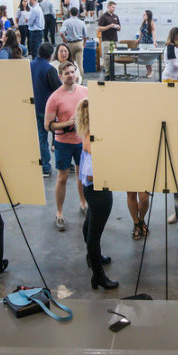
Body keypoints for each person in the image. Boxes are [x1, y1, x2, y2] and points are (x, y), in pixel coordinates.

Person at [73, 98, 118, 289]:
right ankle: (98, 275)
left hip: (90, 191)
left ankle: (94, 257)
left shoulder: (86, 133)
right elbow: (91, 174)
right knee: (94, 235)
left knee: (89, 224)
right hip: (98, 190)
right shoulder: (93, 138)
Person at [45, 61, 88, 230]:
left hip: (81, 141)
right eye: (67, 73)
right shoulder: (54, 98)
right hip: (63, 143)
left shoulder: (85, 91)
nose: (70, 75)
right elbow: (47, 125)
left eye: (72, 72)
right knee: (62, 177)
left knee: (81, 174)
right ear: (60, 76)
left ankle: (83, 204)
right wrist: (66, 123)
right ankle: (59, 213)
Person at [31, 43, 62, 178]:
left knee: (41, 137)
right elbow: (58, 89)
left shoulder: (29, 66)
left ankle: (45, 166)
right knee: (59, 134)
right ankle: (64, 164)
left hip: (33, 106)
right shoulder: (49, 69)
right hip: (48, 109)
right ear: (50, 55)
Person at [96, 2, 121, 81]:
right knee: (107, 57)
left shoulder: (115, 17)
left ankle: (112, 72)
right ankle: (107, 74)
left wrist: (117, 27)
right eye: (113, 7)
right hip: (107, 40)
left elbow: (120, 28)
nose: (114, 9)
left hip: (114, 39)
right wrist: (109, 26)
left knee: (114, 57)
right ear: (108, 7)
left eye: (115, 7)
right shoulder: (103, 17)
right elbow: (99, 28)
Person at [59, 6, 87, 72]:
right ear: (77, 13)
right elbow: (85, 35)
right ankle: (81, 80)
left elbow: (61, 32)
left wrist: (64, 39)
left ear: (69, 12)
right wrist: (84, 44)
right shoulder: (82, 22)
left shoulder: (66, 22)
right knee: (80, 64)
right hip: (79, 43)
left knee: (70, 63)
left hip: (70, 44)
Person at [139, 9, 157, 79]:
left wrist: (154, 41)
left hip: (149, 42)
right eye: (143, 14)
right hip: (143, 42)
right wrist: (139, 39)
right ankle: (148, 71)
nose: (143, 16)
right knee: (145, 58)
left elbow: (153, 32)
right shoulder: (143, 22)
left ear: (148, 15)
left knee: (149, 58)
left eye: (144, 14)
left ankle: (151, 71)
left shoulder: (151, 22)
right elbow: (141, 31)